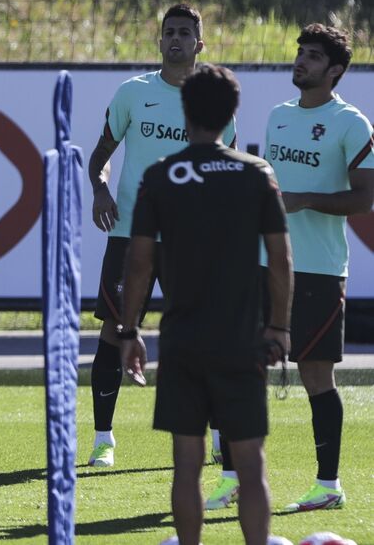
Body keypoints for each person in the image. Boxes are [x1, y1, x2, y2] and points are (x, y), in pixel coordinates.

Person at [119, 64, 292, 545]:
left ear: (185, 108)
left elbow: (138, 262)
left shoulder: (160, 176)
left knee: (187, 463)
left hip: (182, 339)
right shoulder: (257, 174)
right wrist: (279, 327)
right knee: (251, 462)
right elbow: (280, 257)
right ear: (232, 114)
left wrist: (129, 332)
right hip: (241, 339)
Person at [207, 24, 374, 513]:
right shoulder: (278, 116)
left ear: (336, 70)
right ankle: (234, 477)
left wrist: (305, 200)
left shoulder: (352, 124)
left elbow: (366, 198)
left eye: (314, 56)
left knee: (315, 377)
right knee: (244, 371)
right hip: (262, 262)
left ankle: (328, 485)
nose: (301, 61)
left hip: (319, 269)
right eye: (300, 53)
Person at [86, 3, 237, 467]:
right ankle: (103, 440)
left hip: (190, 242)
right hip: (131, 233)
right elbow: (100, 155)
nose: (176, 39)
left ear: (199, 44)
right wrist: (101, 189)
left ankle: (217, 435)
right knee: (113, 332)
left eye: (185, 33)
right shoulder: (133, 92)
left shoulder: (213, 101)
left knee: (200, 337)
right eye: (169, 31)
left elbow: (225, 172)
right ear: (160, 40)